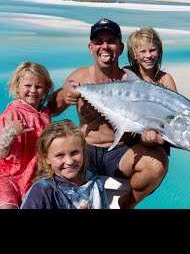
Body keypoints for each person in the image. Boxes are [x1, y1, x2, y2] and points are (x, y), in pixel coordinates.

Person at [49, 18, 168, 209]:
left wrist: (150, 138)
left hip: (121, 151)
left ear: (120, 48)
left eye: (111, 41)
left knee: (156, 164)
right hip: (85, 149)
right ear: (90, 47)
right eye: (99, 41)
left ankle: (126, 205)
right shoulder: (79, 77)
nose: (105, 46)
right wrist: (63, 95)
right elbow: (51, 110)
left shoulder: (131, 82)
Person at [21, 119, 109, 209]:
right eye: (60, 155)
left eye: (75, 152)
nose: (70, 161)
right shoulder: (42, 191)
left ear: (83, 150)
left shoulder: (95, 183)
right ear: (46, 158)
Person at [0, 61, 53, 209]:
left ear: (46, 88)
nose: (33, 90)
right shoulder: (12, 114)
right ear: (17, 87)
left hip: (34, 176)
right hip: (8, 177)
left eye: (38, 86)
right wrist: (11, 132)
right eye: (27, 86)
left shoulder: (45, 114)